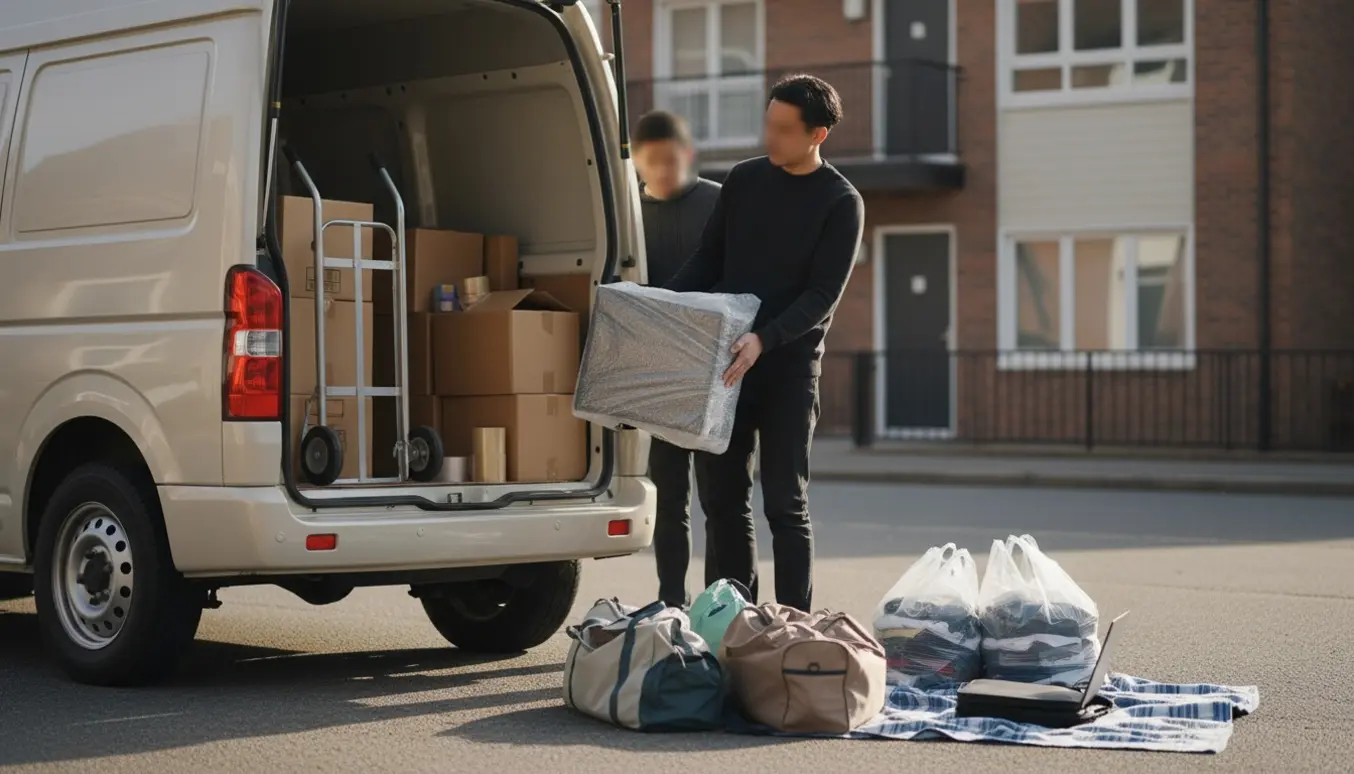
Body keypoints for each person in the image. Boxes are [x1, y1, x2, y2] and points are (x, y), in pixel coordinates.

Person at [664, 74, 864, 612]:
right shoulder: (744, 180)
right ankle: (731, 624)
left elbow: (823, 293)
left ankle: (793, 630)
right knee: (724, 504)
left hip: (788, 373)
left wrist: (764, 338)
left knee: (784, 504)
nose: (769, 137)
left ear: (818, 133)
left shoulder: (841, 201)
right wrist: (663, 305)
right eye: (767, 123)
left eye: (782, 129)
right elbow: (710, 257)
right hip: (726, 366)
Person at [632, 110, 723, 608]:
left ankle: (718, 605)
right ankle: (672, 603)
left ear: (686, 155)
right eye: (650, 162)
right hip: (658, 378)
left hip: (714, 376)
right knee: (669, 502)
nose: (661, 171)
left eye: (669, 160)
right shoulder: (629, 213)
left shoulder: (717, 203)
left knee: (719, 502)